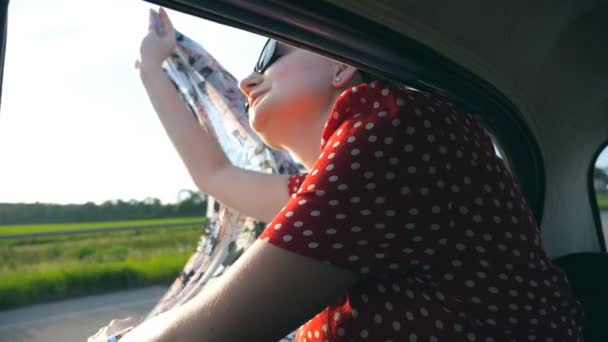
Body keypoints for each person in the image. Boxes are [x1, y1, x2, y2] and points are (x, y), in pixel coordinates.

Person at [119, 7, 584, 341]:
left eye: (269, 54)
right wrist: (150, 68)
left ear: (340, 61)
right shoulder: (361, 185)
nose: (246, 80)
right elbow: (215, 174)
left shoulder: (396, 127)